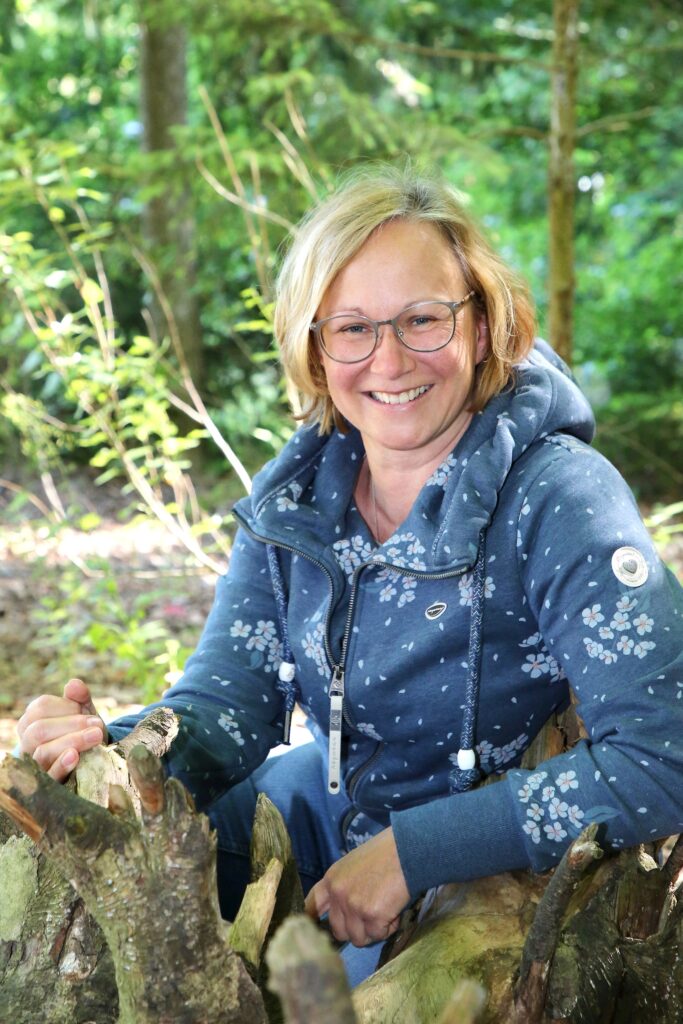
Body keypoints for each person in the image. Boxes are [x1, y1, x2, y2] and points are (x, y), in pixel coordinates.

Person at [17, 166, 683, 985]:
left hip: (497, 871)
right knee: (67, 859)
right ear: (312, 345)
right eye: (353, 328)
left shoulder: (559, 496)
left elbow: (663, 754)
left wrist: (413, 852)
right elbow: (226, 708)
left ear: (481, 324)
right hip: (325, 823)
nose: (390, 358)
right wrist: (110, 754)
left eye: (422, 319)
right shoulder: (298, 502)